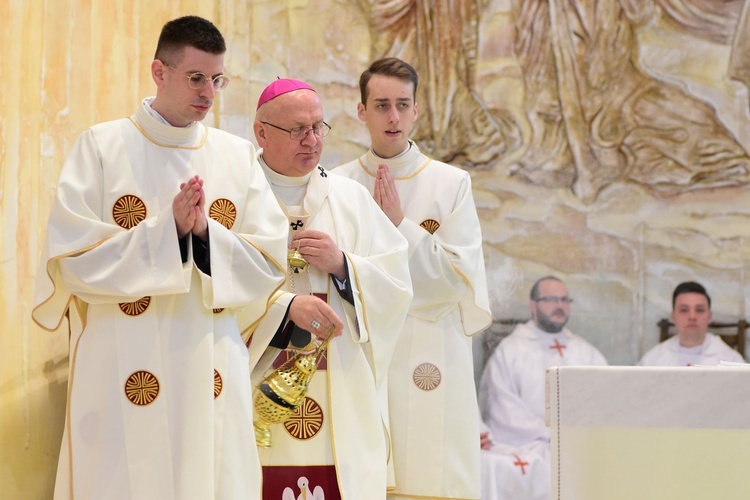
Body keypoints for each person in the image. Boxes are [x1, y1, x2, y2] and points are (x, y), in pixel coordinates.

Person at [31, 16, 289, 500]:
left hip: (207, 354)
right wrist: (165, 232)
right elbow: (72, 262)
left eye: (218, 79)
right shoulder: (102, 146)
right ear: (159, 71)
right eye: (195, 78)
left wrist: (205, 234)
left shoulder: (236, 157)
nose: (208, 93)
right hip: (121, 357)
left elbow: (270, 263)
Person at [334, 58, 492, 500]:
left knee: (428, 475)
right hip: (361, 350)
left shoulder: (451, 184)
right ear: (361, 111)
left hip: (429, 347)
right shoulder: (337, 184)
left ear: (417, 110)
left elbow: (455, 281)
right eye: (381, 105)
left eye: (403, 105)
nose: (393, 117)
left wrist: (401, 224)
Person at [248, 78, 412, 500]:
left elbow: (396, 286)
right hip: (255, 380)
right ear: (261, 132)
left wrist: (343, 266)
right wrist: (283, 309)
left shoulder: (351, 199)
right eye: (297, 130)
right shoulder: (238, 197)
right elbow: (214, 292)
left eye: (319, 127)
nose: (312, 140)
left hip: (339, 383)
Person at [478, 276, 608, 499]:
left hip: (579, 441)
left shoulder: (586, 352)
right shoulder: (511, 351)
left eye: (565, 300)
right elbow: (503, 409)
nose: (559, 306)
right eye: (551, 299)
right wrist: (551, 434)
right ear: (533, 305)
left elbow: (605, 400)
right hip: (529, 443)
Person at [639, 281, 746, 366]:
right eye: (684, 310)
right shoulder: (654, 359)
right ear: (673, 316)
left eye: (699, 310)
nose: (692, 317)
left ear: (709, 317)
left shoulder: (731, 360)